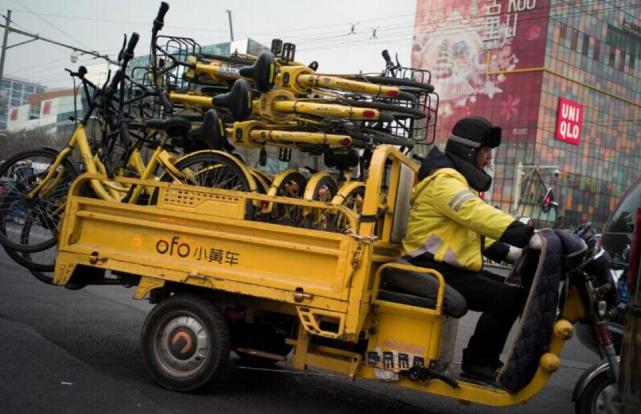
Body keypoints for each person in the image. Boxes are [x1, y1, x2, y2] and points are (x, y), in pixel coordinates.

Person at [401, 116, 535, 382]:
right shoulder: (445, 181)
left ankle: (482, 361)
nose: (489, 159)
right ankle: (478, 364)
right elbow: (476, 215)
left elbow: (471, 231)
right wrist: (528, 235)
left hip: (445, 266)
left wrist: (510, 253)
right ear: (470, 151)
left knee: (513, 290)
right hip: (430, 267)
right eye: (486, 152)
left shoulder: (455, 181)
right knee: (505, 297)